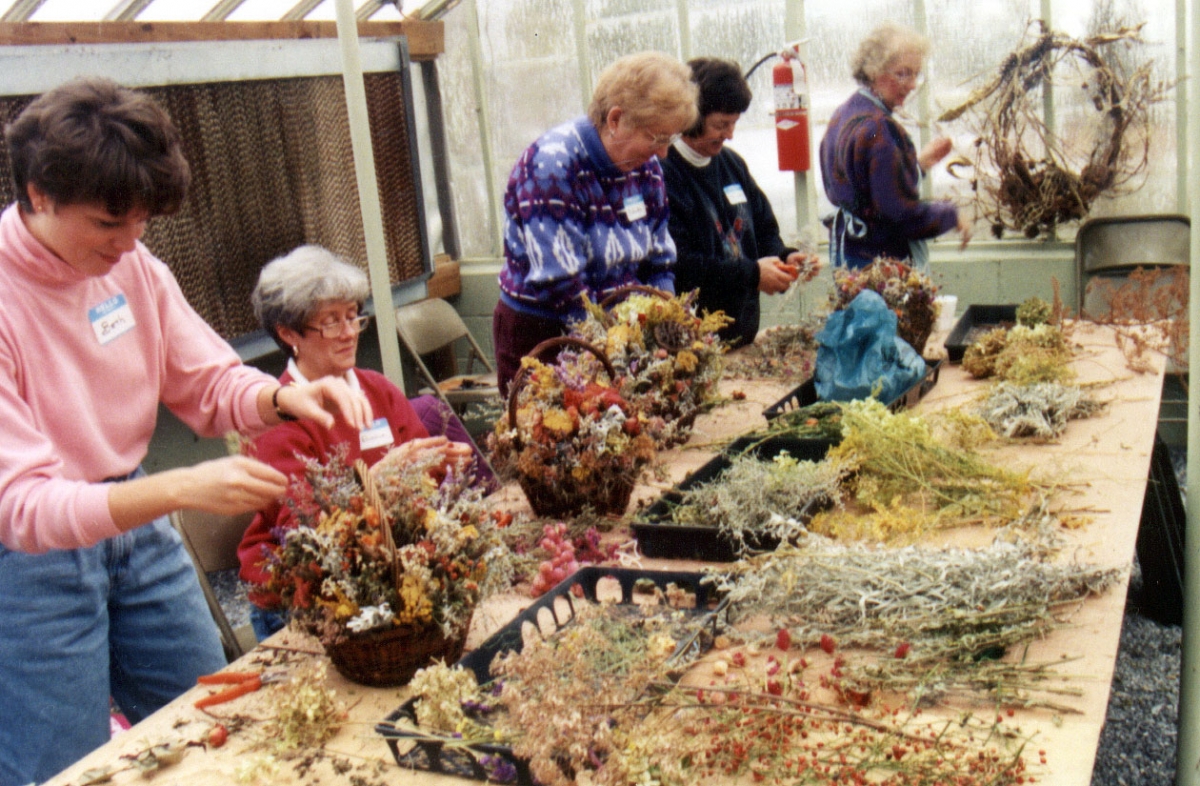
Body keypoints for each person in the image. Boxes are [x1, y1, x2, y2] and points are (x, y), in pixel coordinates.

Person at [0, 78, 372, 785]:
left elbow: (207, 381)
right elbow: (21, 507)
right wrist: (181, 487)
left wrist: (283, 398)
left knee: (212, 716)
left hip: (133, 529)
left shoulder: (132, 267)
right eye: (110, 224)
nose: (130, 242)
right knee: (61, 767)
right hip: (27, 565)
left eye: (142, 222)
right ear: (39, 192)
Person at [237, 245, 494, 641]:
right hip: (306, 594)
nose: (348, 332)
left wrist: (444, 463)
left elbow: (421, 472)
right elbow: (307, 535)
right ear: (289, 334)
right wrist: (380, 480)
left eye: (353, 316)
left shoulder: (377, 389)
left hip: (382, 571)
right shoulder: (277, 422)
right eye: (330, 322)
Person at [492, 50, 699, 392]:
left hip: (614, 332)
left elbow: (659, 260)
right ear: (615, 119)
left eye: (671, 139)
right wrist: (619, 346)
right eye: (657, 138)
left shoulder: (646, 168)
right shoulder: (553, 166)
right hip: (544, 332)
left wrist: (667, 325)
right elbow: (561, 283)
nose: (663, 153)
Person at [661, 58, 822, 348]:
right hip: (693, 343)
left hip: (741, 334)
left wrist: (784, 255)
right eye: (721, 125)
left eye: (734, 123)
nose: (730, 135)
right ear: (691, 115)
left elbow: (762, 227)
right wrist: (753, 274)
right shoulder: (664, 175)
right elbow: (680, 264)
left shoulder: (731, 164)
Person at [819, 21, 971, 270]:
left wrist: (917, 165)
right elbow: (899, 215)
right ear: (874, 71)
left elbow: (866, 189)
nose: (911, 85)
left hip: (849, 254)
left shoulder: (842, 115)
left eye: (915, 74)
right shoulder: (881, 129)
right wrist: (950, 215)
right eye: (903, 73)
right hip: (880, 265)